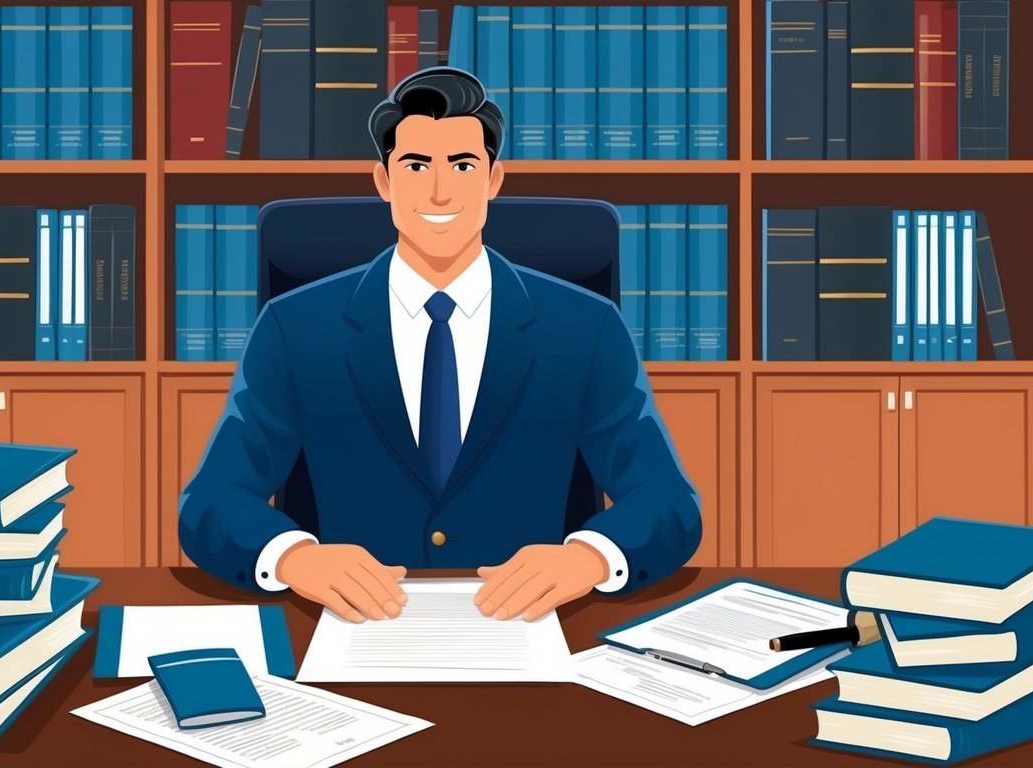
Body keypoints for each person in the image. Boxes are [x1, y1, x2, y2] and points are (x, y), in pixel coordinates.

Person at [179, 67, 701, 624]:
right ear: (382, 181)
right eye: (415, 165)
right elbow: (212, 499)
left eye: (462, 165)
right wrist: (294, 558)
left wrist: (590, 558)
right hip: (349, 632)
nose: (439, 190)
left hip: (532, 635)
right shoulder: (293, 325)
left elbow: (667, 500)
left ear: (494, 179)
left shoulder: (587, 326)